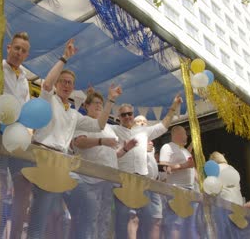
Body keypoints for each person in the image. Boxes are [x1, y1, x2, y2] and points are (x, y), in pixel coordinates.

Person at [27, 39, 123, 239]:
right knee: (41, 215)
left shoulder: (73, 113)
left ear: (73, 88)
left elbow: (99, 125)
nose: (66, 85)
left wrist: (111, 100)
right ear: (57, 84)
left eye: (70, 83)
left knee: (88, 204)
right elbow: (46, 84)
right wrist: (64, 58)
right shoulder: (49, 99)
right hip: (44, 159)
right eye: (63, 81)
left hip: (64, 163)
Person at [69, 91, 137, 239]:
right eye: (96, 103)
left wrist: (126, 149)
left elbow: (112, 155)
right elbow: (78, 142)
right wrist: (101, 141)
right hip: (90, 180)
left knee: (104, 220)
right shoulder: (84, 121)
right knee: (89, 219)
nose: (99, 106)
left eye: (101, 103)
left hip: (108, 181)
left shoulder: (107, 128)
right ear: (86, 106)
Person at [112, 98, 182, 239]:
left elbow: (163, 126)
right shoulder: (113, 129)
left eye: (129, 114)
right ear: (118, 117)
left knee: (150, 220)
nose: (127, 117)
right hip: (124, 180)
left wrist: (173, 107)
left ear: (132, 114)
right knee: (124, 221)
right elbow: (98, 123)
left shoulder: (143, 131)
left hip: (144, 181)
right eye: (123, 115)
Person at [0, 32, 32, 239]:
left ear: (26, 55)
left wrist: (29, 132)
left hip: (19, 138)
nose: (19, 52)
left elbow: (28, 109)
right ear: (8, 48)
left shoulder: (25, 79)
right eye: (16, 48)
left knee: (24, 187)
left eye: (23, 50)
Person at [159, 125, 197, 239]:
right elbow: (162, 166)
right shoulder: (167, 147)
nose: (186, 136)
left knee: (189, 223)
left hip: (190, 190)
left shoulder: (185, 151)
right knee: (175, 222)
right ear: (178, 134)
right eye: (185, 133)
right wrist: (184, 165)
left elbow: (191, 169)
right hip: (176, 189)